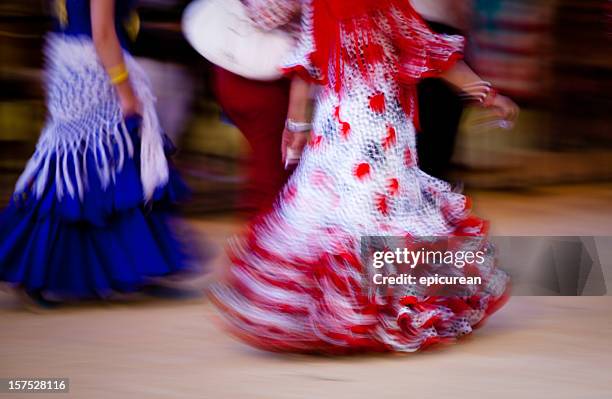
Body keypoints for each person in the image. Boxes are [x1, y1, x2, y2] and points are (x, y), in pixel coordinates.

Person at [211, 0, 518, 353]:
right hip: (377, 126)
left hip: (335, 126)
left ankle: (333, 316)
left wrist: (296, 124)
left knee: (330, 215)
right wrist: (487, 93)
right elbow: (429, 52)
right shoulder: (383, 4)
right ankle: (374, 314)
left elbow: (306, 63)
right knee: (377, 217)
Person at [0, 0, 194, 305]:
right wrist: (126, 91)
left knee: (100, 173)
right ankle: (44, 272)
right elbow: (102, 33)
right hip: (96, 72)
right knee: (95, 173)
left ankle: (133, 268)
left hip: (72, 63)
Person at [210, 0, 302, 214]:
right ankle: (261, 240)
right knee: (273, 184)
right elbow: (268, 12)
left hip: (244, 72)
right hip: (261, 81)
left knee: (272, 177)